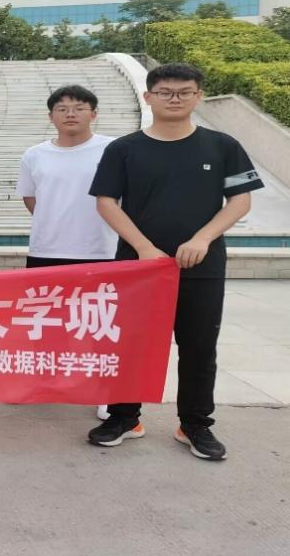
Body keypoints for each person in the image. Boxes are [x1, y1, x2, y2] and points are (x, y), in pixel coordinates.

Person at [88, 63, 263, 461]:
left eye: (185, 92)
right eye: (165, 92)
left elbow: (240, 200)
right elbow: (106, 202)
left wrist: (203, 238)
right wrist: (144, 248)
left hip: (202, 265)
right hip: (138, 267)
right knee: (131, 344)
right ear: (148, 97)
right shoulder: (124, 149)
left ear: (198, 96)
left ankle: (194, 424)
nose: (175, 99)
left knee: (199, 347)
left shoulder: (222, 146)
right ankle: (124, 417)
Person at [16, 84, 117, 421]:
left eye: (79, 107)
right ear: (51, 116)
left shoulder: (113, 149)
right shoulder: (35, 155)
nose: (70, 114)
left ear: (94, 113)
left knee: (101, 326)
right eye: (62, 108)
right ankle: (45, 383)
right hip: (47, 249)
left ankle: (108, 393)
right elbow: (31, 198)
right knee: (47, 325)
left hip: (101, 250)